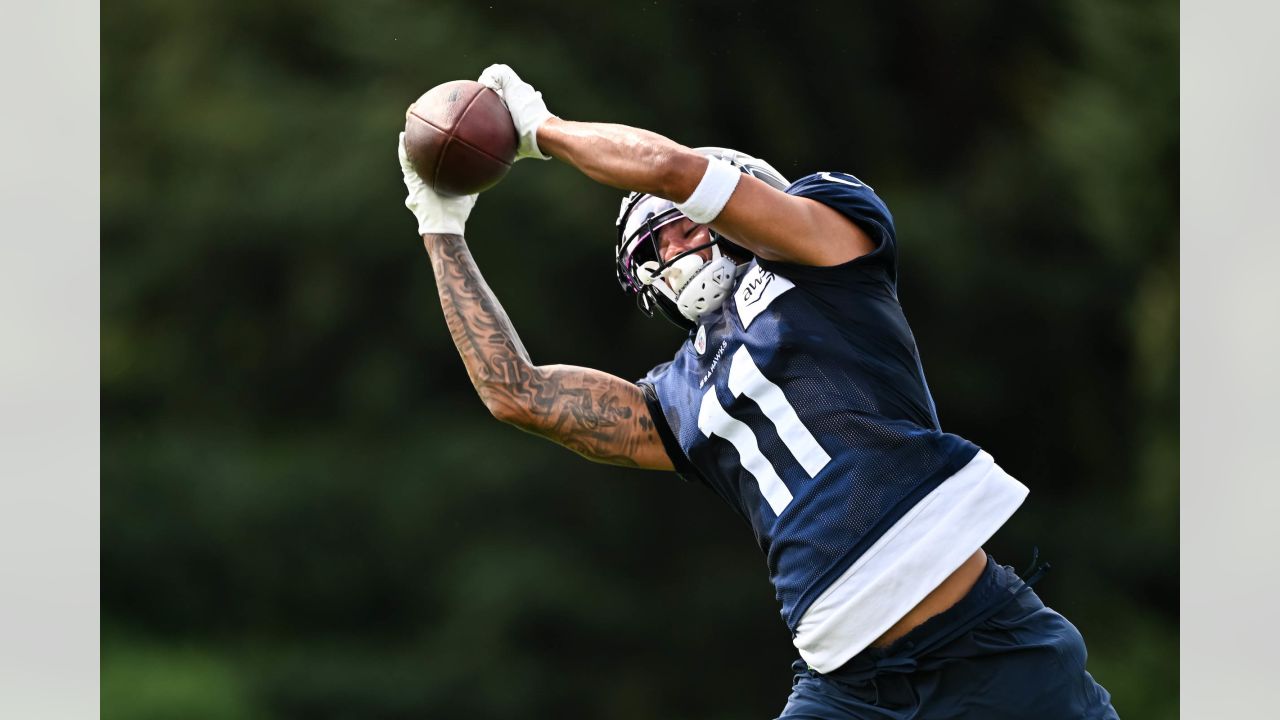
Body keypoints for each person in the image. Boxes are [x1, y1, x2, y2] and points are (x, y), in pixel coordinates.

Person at [398, 64, 1119, 719]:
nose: (674, 253)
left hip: (985, 647)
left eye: (681, 229)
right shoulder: (675, 397)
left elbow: (674, 169)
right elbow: (516, 394)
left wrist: (541, 130)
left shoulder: (826, 253)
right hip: (846, 687)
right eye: (652, 250)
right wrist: (441, 227)